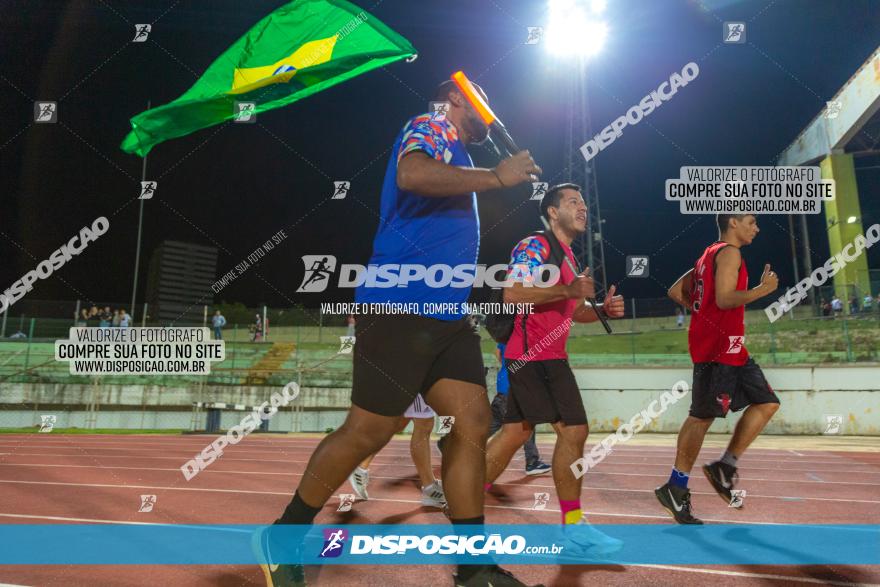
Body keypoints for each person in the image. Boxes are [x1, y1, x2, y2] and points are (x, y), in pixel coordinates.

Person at [255, 78, 542, 587]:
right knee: (369, 430)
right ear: (457, 99)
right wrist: (497, 177)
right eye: (483, 100)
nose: (490, 113)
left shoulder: (456, 154)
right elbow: (411, 174)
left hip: (447, 316)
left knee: (473, 424)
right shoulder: (430, 126)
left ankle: (473, 569)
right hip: (399, 305)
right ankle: (282, 534)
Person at [483, 184, 625, 555]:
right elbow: (513, 292)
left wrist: (601, 311)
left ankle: (463, 494)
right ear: (551, 212)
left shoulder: (567, 257)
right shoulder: (535, 245)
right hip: (535, 356)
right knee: (575, 431)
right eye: (573, 202)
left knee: (515, 432)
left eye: (584, 202)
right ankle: (573, 528)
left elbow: (574, 312)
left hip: (540, 355)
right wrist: (567, 290)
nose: (582, 207)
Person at [656, 213, 780, 524]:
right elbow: (725, 299)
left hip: (732, 347)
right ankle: (676, 486)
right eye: (751, 221)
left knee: (767, 403)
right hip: (718, 350)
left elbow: (675, 291)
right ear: (733, 222)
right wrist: (763, 291)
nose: (757, 227)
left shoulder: (707, 255)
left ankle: (725, 466)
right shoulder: (729, 253)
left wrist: (702, 311)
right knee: (701, 417)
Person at [348, 394, 446, 508]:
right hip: (416, 380)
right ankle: (430, 488)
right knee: (424, 424)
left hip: (412, 381)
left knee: (400, 423)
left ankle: (360, 467)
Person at [492, 342, 550, 476]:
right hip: (517, 391)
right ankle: (532, 462)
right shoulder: (533, 337)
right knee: (526, 424)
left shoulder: (506, 335)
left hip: (503, 388)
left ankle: (451, 446)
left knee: (489, 425)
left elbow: (498, 354)